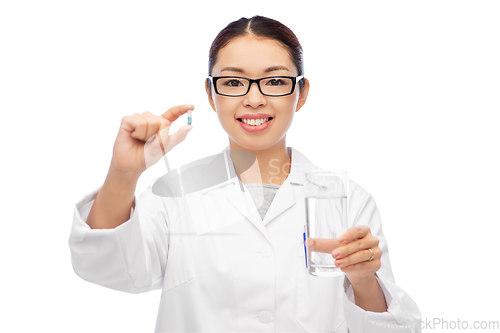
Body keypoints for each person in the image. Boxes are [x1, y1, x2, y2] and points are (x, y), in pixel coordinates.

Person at [69, 15, 421, 332]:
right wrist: (122, 173)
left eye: (275, 81)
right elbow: (105, 268)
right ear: (210, 93)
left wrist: (363, 280)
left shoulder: (348, 201)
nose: (254, 100)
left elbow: (394, 331)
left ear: (301, 93)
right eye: (234, 83)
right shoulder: (175, 193)